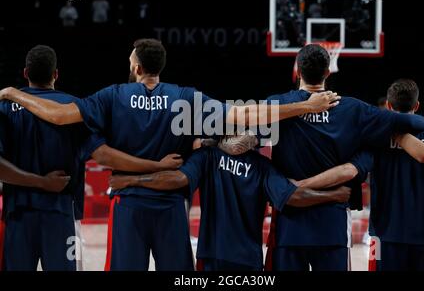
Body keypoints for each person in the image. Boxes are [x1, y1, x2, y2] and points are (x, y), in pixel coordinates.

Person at [0, 39, 340, 271]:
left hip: (129, 205)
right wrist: (302, 106)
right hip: (171, 210)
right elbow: (243, 115)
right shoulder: (184, 99)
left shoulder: (114, 96)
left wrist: (14, 93)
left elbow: (60, 116)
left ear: (135, 66)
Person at [0, 45, 182, 271]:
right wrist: (155, 166)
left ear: (25, 73)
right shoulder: (74, 107)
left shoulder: (6, 107)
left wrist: (37, 181)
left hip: (18, 215)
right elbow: (103, 155)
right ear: (56, 74)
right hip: (61, 214)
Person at [256, 45, 424, 271]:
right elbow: (406, 120)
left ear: (298, 72)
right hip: (333, 226)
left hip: (288, 227)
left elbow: (244, 123)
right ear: (328, 72)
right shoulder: (353, 108)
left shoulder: (278, 104)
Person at [109, 134, 352, 271]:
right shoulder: (263, 167)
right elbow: (292, 197)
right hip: (248, 260)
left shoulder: (208, 155)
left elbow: (177, 179)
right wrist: (334, 195)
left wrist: (132, 180)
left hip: (211, 256)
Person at [290, 79, 424, 271]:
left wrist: (301, 185)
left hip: (384, 236)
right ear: (417, 105)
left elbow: (349, 170)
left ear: (388, 106)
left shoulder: (376, 138)